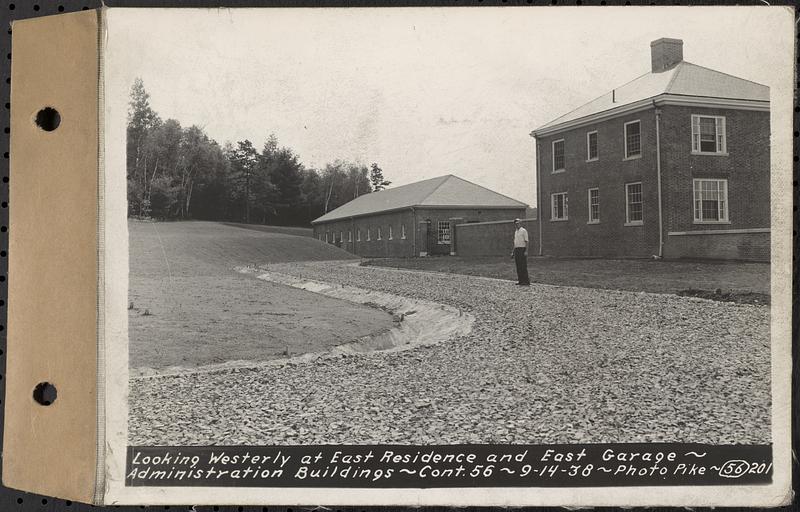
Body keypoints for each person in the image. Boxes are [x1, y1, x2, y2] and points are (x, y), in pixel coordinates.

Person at [511, 219, 530, 286]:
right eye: (516, 224)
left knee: (523, 266)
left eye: (518, 223)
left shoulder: (524, 231)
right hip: (517, 250)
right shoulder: (516, 232)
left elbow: (527, 241)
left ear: (520, 223)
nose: (517, 225)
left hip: (522, 249)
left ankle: (526, 281)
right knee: (518, 266)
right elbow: (515, 243)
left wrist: (526, 251)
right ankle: (520, 280)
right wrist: (513, 252)